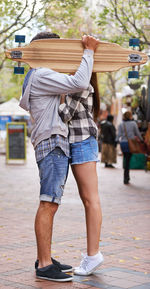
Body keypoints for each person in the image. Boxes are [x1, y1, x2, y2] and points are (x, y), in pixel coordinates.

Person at [19, 32, 100, 282]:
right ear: (48, 50)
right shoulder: (42, 73)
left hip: (51, 142)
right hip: (53, 142)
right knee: (49, 203)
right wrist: (88, 51)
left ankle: (46, 258)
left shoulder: (38, 75)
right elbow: (79, 82)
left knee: (50, 202)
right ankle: (44, 264)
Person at [59, 72, 104, 276]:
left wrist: (60, 95)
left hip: (83, 142)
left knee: (90, 200)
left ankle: (93, 255)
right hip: (79, 143)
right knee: (88, 200)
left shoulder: (81, 84)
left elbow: (65, 114)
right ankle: (92, 254)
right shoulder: (77, 83)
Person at [116, 111, 143, 184]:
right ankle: (126, 177)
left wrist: (116, 141)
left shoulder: (121, 124)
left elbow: (119, 135)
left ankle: (126, 176)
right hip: (130, 144)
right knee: (127, 160)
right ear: (130, 116)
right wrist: (142, 140)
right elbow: (137, 133)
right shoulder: (133, 124)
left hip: (123, 144)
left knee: (126, 158)